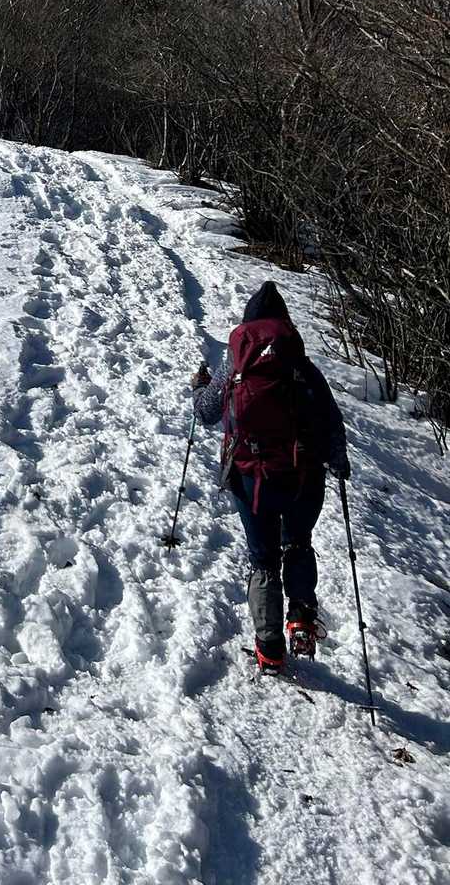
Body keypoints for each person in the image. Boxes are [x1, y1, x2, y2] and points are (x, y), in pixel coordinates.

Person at [191, 281, 350, 670]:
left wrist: (198, 387)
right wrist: (338, 462)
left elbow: (206, 412)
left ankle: (270, 648)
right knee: (297, 542)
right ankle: (301, 619)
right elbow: (331, 420)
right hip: (303, 476)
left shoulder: (235, 364)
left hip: (252, 478)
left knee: (263, 559)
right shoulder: (301, 365)